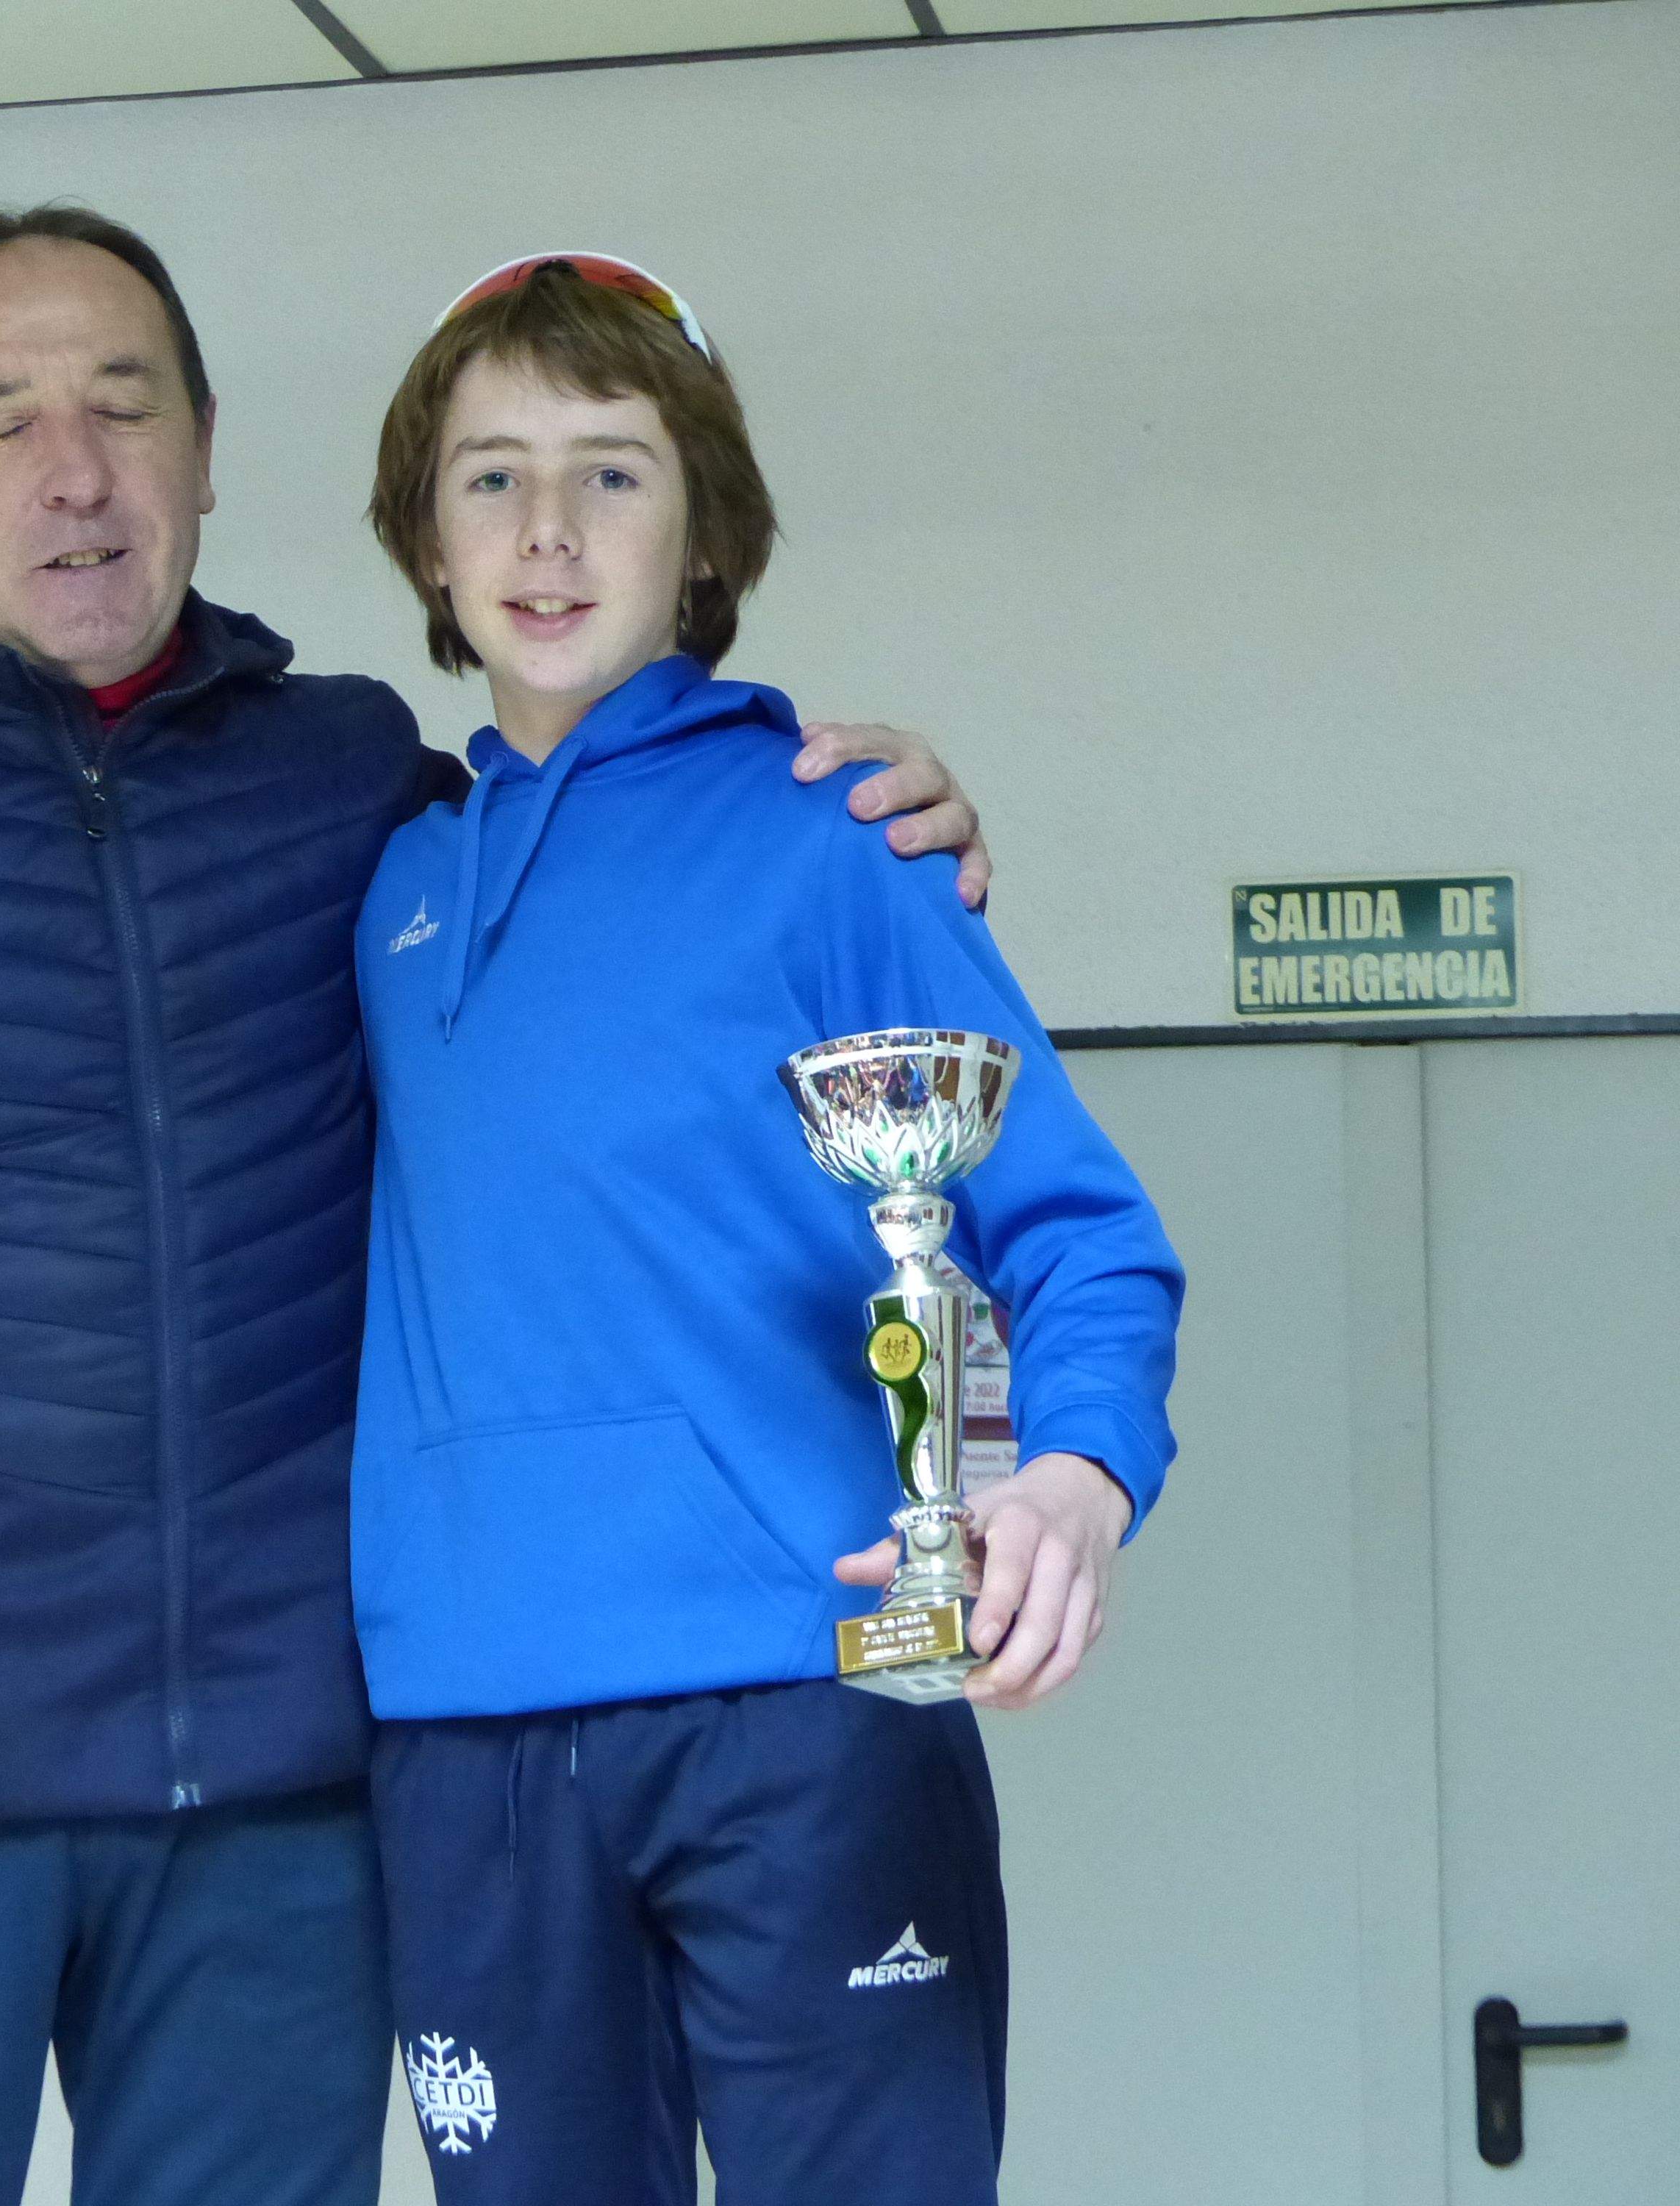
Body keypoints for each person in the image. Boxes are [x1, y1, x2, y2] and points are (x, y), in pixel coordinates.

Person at [0, 207, 993, 2206]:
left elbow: (610, 885)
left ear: (209, 451)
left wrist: (843, 809)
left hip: (281, 1813)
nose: (76, 471)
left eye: (125, 408)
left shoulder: (358, 790)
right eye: (1, 419)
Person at [346, 253, 1184, 2206]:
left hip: (806, 1701)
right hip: (463, 1734)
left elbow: (1079, 1230)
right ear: (425, 532)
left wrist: (1070, 1479)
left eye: (613, 473)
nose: (547, 534)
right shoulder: (379, 885)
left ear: (704, 525)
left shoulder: (835, 842)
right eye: (491, 477)